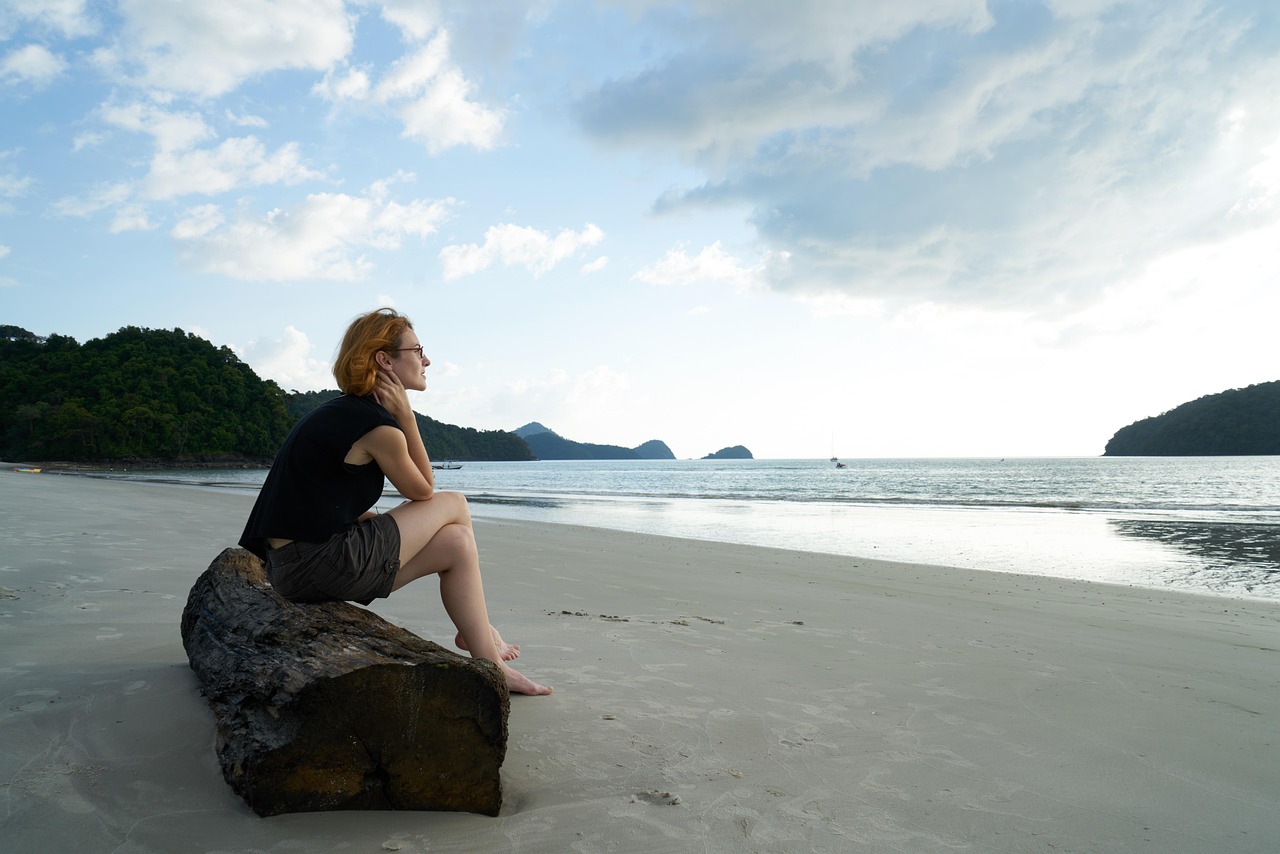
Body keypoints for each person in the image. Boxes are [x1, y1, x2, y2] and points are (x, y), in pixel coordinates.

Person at [239, 307, 551, 696]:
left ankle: (480, 644)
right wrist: (408, 416)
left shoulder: (339, 414)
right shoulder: (378, 427)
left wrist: (375, 522)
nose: (427, 360)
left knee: (457, 543)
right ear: (385, 360)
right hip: (317, 566)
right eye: (417, 350)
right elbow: (424, 490)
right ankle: (485, 645)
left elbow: (323, 503)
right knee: (454, 502)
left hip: (295, 569)